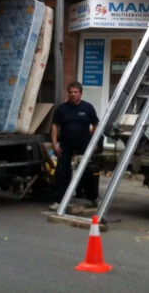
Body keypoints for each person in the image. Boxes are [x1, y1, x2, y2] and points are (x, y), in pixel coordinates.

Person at [49, 81, 100, 211]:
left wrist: (94, 142)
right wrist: (54, 144)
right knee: (62, 171)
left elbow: (96, 124)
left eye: (75, 92)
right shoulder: (62, 109)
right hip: (65, 145)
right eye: (71, 92)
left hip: (84, 145)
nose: (73, 94)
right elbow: (54, 126)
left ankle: (93, 198)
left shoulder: (88, 107)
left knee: (86, 171)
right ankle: (59, 201)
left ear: (80, 94)